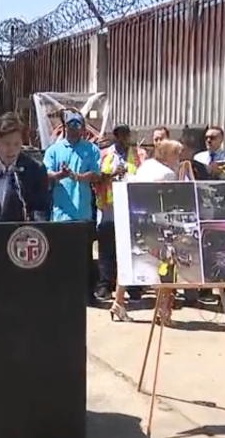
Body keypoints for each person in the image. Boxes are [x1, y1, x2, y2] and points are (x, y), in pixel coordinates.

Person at [108, 140, 185, 322]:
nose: (178, 158)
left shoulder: (146, 166)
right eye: (176, 154)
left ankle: (118, 302)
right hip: (157, 224)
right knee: (164, 266)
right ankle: (164, 310)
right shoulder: (167, 173)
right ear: (167, 154)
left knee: (130, 262)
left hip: (136, 221)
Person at [93, 124, 147, 302]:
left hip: (132, 207)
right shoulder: (104, 154)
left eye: (126, 134)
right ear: (115, 136)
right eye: (120, 135)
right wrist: (111, 174)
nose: (123, 138)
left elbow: (145, 176)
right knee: (107, 248)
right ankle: (105, 285)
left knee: (131, 247)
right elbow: (95, 178)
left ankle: (133, 287)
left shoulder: (139, 155)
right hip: (109, 207)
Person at [43, 110, 101, 222]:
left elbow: (97, 175)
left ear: (82, 127)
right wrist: (60, 174)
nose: (74, 127)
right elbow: (46, 174)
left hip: (83, 214)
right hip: (60, 215)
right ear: (65, 126)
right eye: (70, 124)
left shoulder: (92, 149)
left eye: (77, 124)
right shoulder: (53, 150)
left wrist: (79, 177)